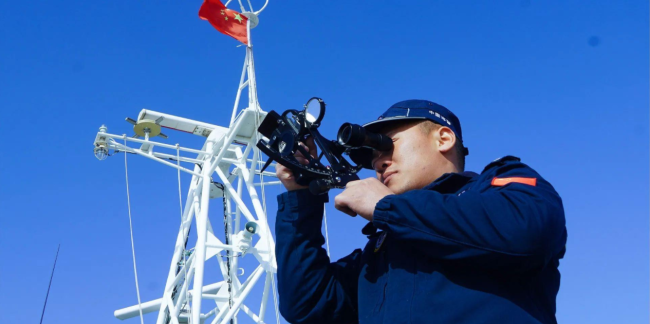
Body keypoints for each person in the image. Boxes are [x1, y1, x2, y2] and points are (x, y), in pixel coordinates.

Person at [274, 99, 567, 324]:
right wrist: (301, 198)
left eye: (387, 145)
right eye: (373, 157)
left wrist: (386, 208)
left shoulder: (497, 184)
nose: (378, 162)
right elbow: (306, 305)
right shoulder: (381, 251)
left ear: (443, 139)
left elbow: (526, 231)